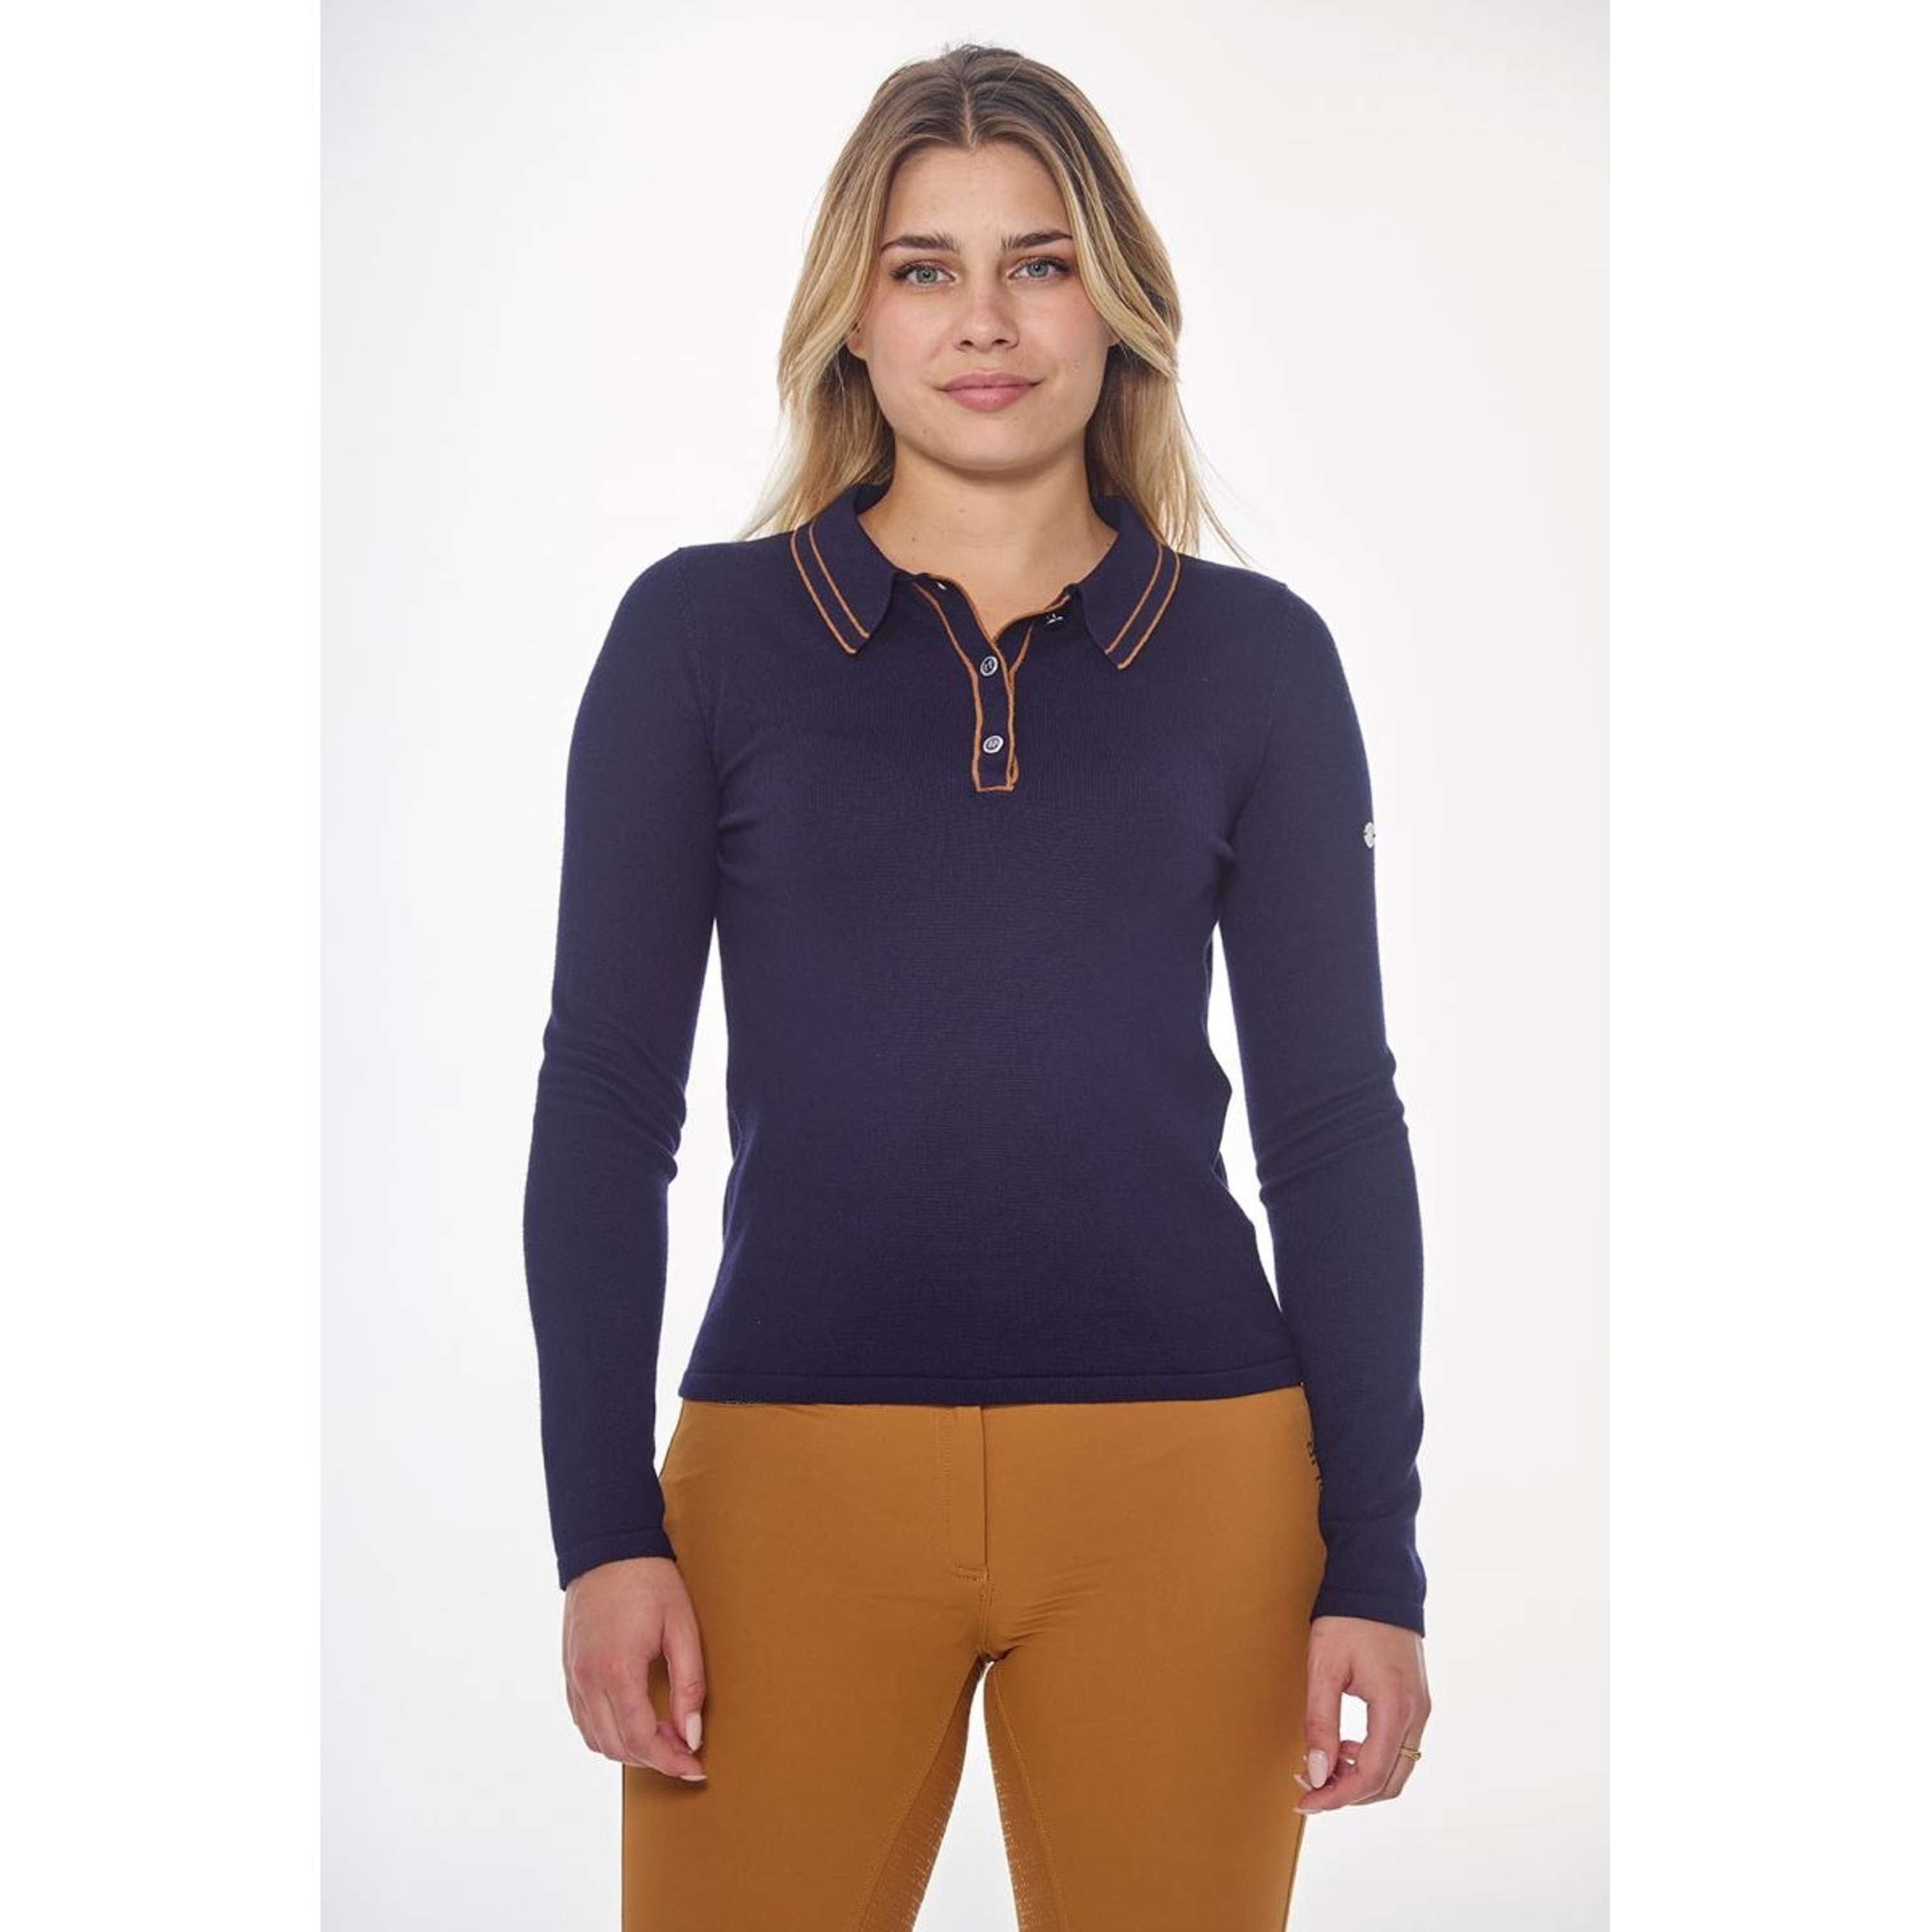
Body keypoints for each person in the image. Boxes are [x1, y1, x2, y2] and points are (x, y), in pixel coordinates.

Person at [522, 42, 1432, 1929]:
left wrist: (1377, 1560)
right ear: (851, 315)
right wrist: (602, 1530)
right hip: (786, 1480)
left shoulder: (1256, 663)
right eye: (925, 267)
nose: (985, 321)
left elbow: (1334, 1125)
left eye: (1039, 261)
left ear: (1119, 304)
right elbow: (606, 1101)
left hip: (1193, 1477)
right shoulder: (700, 639)